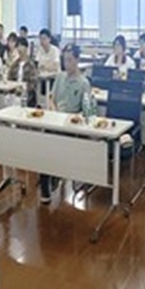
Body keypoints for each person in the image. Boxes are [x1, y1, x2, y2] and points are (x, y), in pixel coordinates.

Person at [42, 44, 91, 203]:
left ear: (77, 60)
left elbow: (87, 111)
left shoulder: (84, 83)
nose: (66, 64)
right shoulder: (60, 77)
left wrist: (75, 117)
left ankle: (56, 173)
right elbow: (51, 98)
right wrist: (53, 109)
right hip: (56, 120)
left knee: (56, 142)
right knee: (43, 142)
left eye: (70, 60)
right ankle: (46, 184)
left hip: (70, 125)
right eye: (64, 60)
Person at [7, 37, 38, 106]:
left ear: (26, 48)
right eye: (18, 46)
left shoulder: (31, 65)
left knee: (18, 100)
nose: (19, 48)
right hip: (14, 91)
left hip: (26, 93)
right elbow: (9, 78)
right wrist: (13, 88)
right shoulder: (14, 64)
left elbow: (33, 83)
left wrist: (23, 89)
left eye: (21, 46)